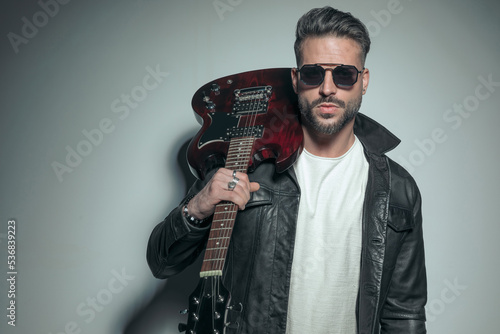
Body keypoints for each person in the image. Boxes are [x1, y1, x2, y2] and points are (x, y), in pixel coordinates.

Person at [147, 6, 427, 334]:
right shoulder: (245, 165)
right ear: (296, 80)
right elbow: (161, 262)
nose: (327, 88)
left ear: (363, 81)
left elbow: (404, 313)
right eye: (312, 74)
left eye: (344, 74)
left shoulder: (398, 188)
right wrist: (196, 208)